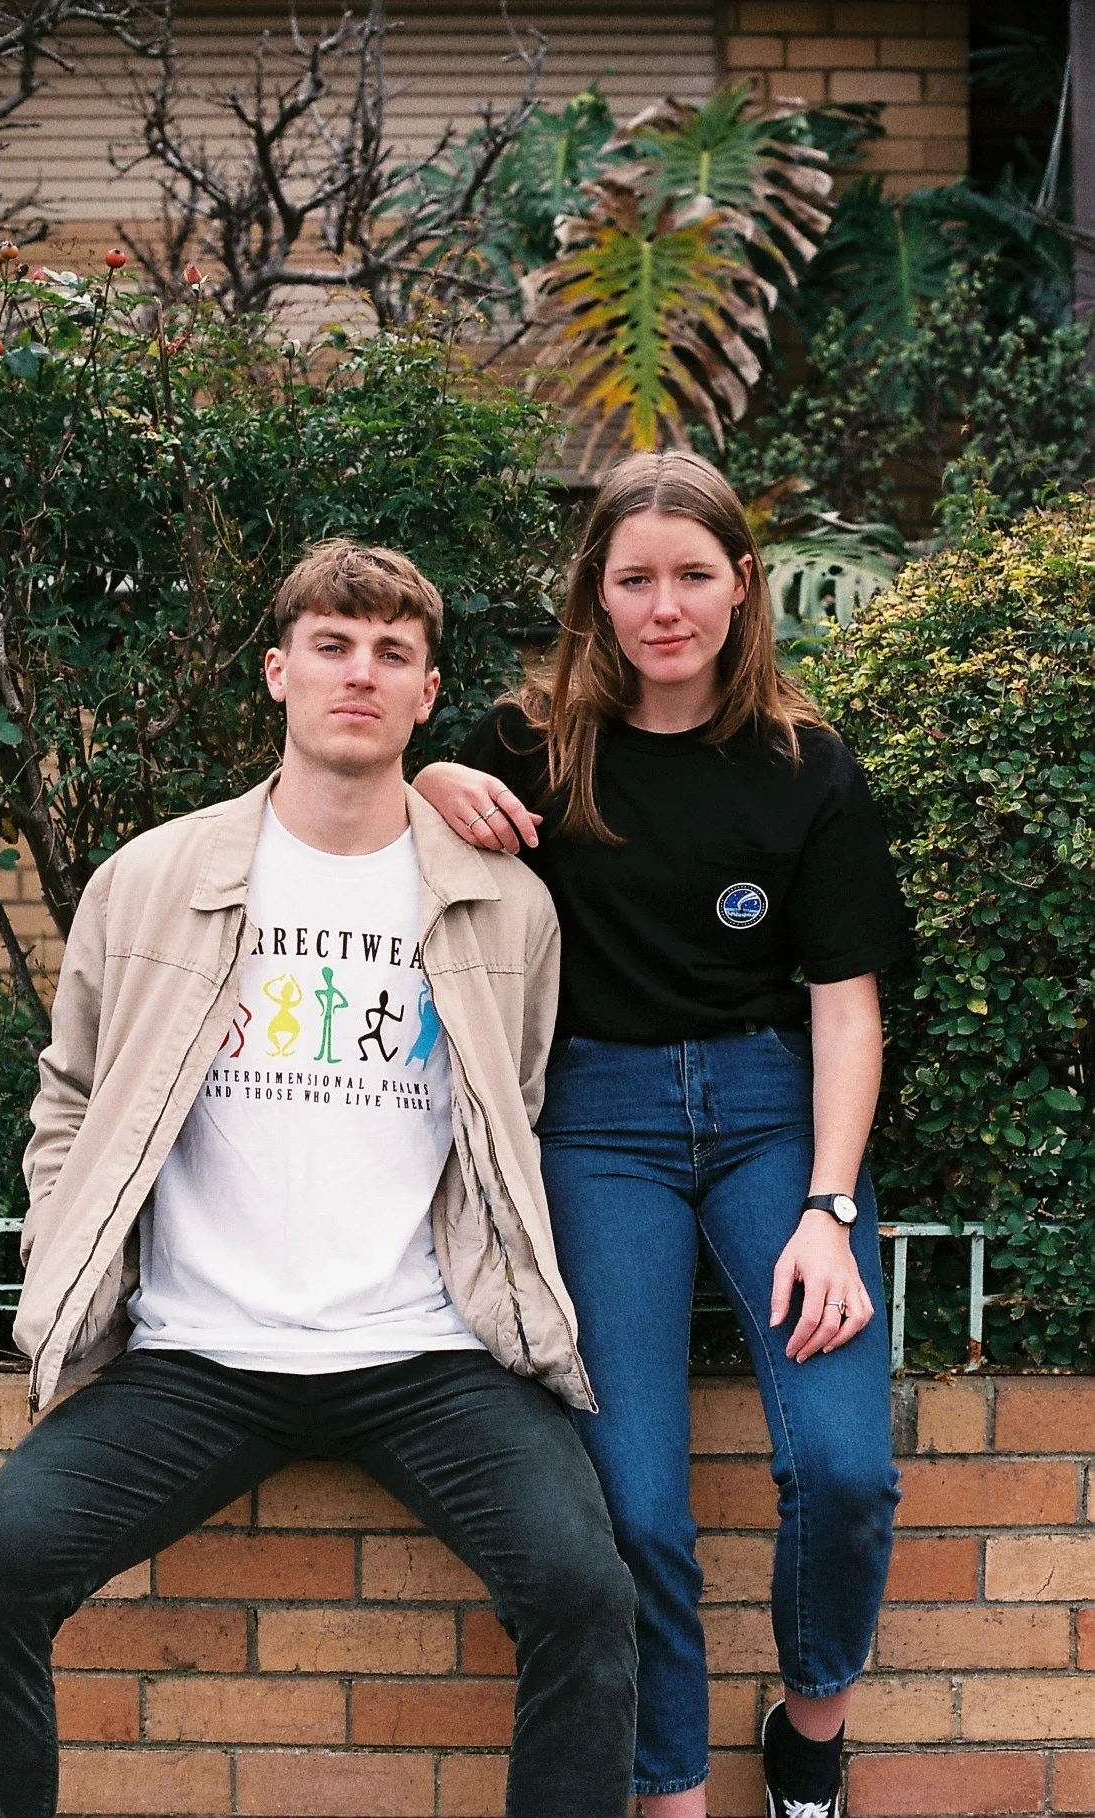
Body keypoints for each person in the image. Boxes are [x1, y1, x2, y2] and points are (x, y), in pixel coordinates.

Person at [0, 539, 638, 1818]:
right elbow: (70, 1093)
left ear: (427, 693)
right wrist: (62, 1246)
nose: (359, 674)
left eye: (391, 654)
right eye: (331, 646)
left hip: (426, 1355)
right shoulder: (151, 879)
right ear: (277, 672)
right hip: (197, 1357)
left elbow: (513, 1101)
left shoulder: (505, 906)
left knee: (585, 1594)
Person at [414, 452, 912, 1818]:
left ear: (742, 584)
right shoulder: (530, 747)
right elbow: (358, 807)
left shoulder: (806, 768)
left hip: (772, 1122)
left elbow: (847, 1008)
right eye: (634, 579)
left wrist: (828, 1208)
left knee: (844, 1467)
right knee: (632, 1507)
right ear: (597, 592)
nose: (665, 606)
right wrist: (428, 780)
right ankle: (672, 1790)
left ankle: (809, 1732)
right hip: (595, 1127)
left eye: (693, 575)